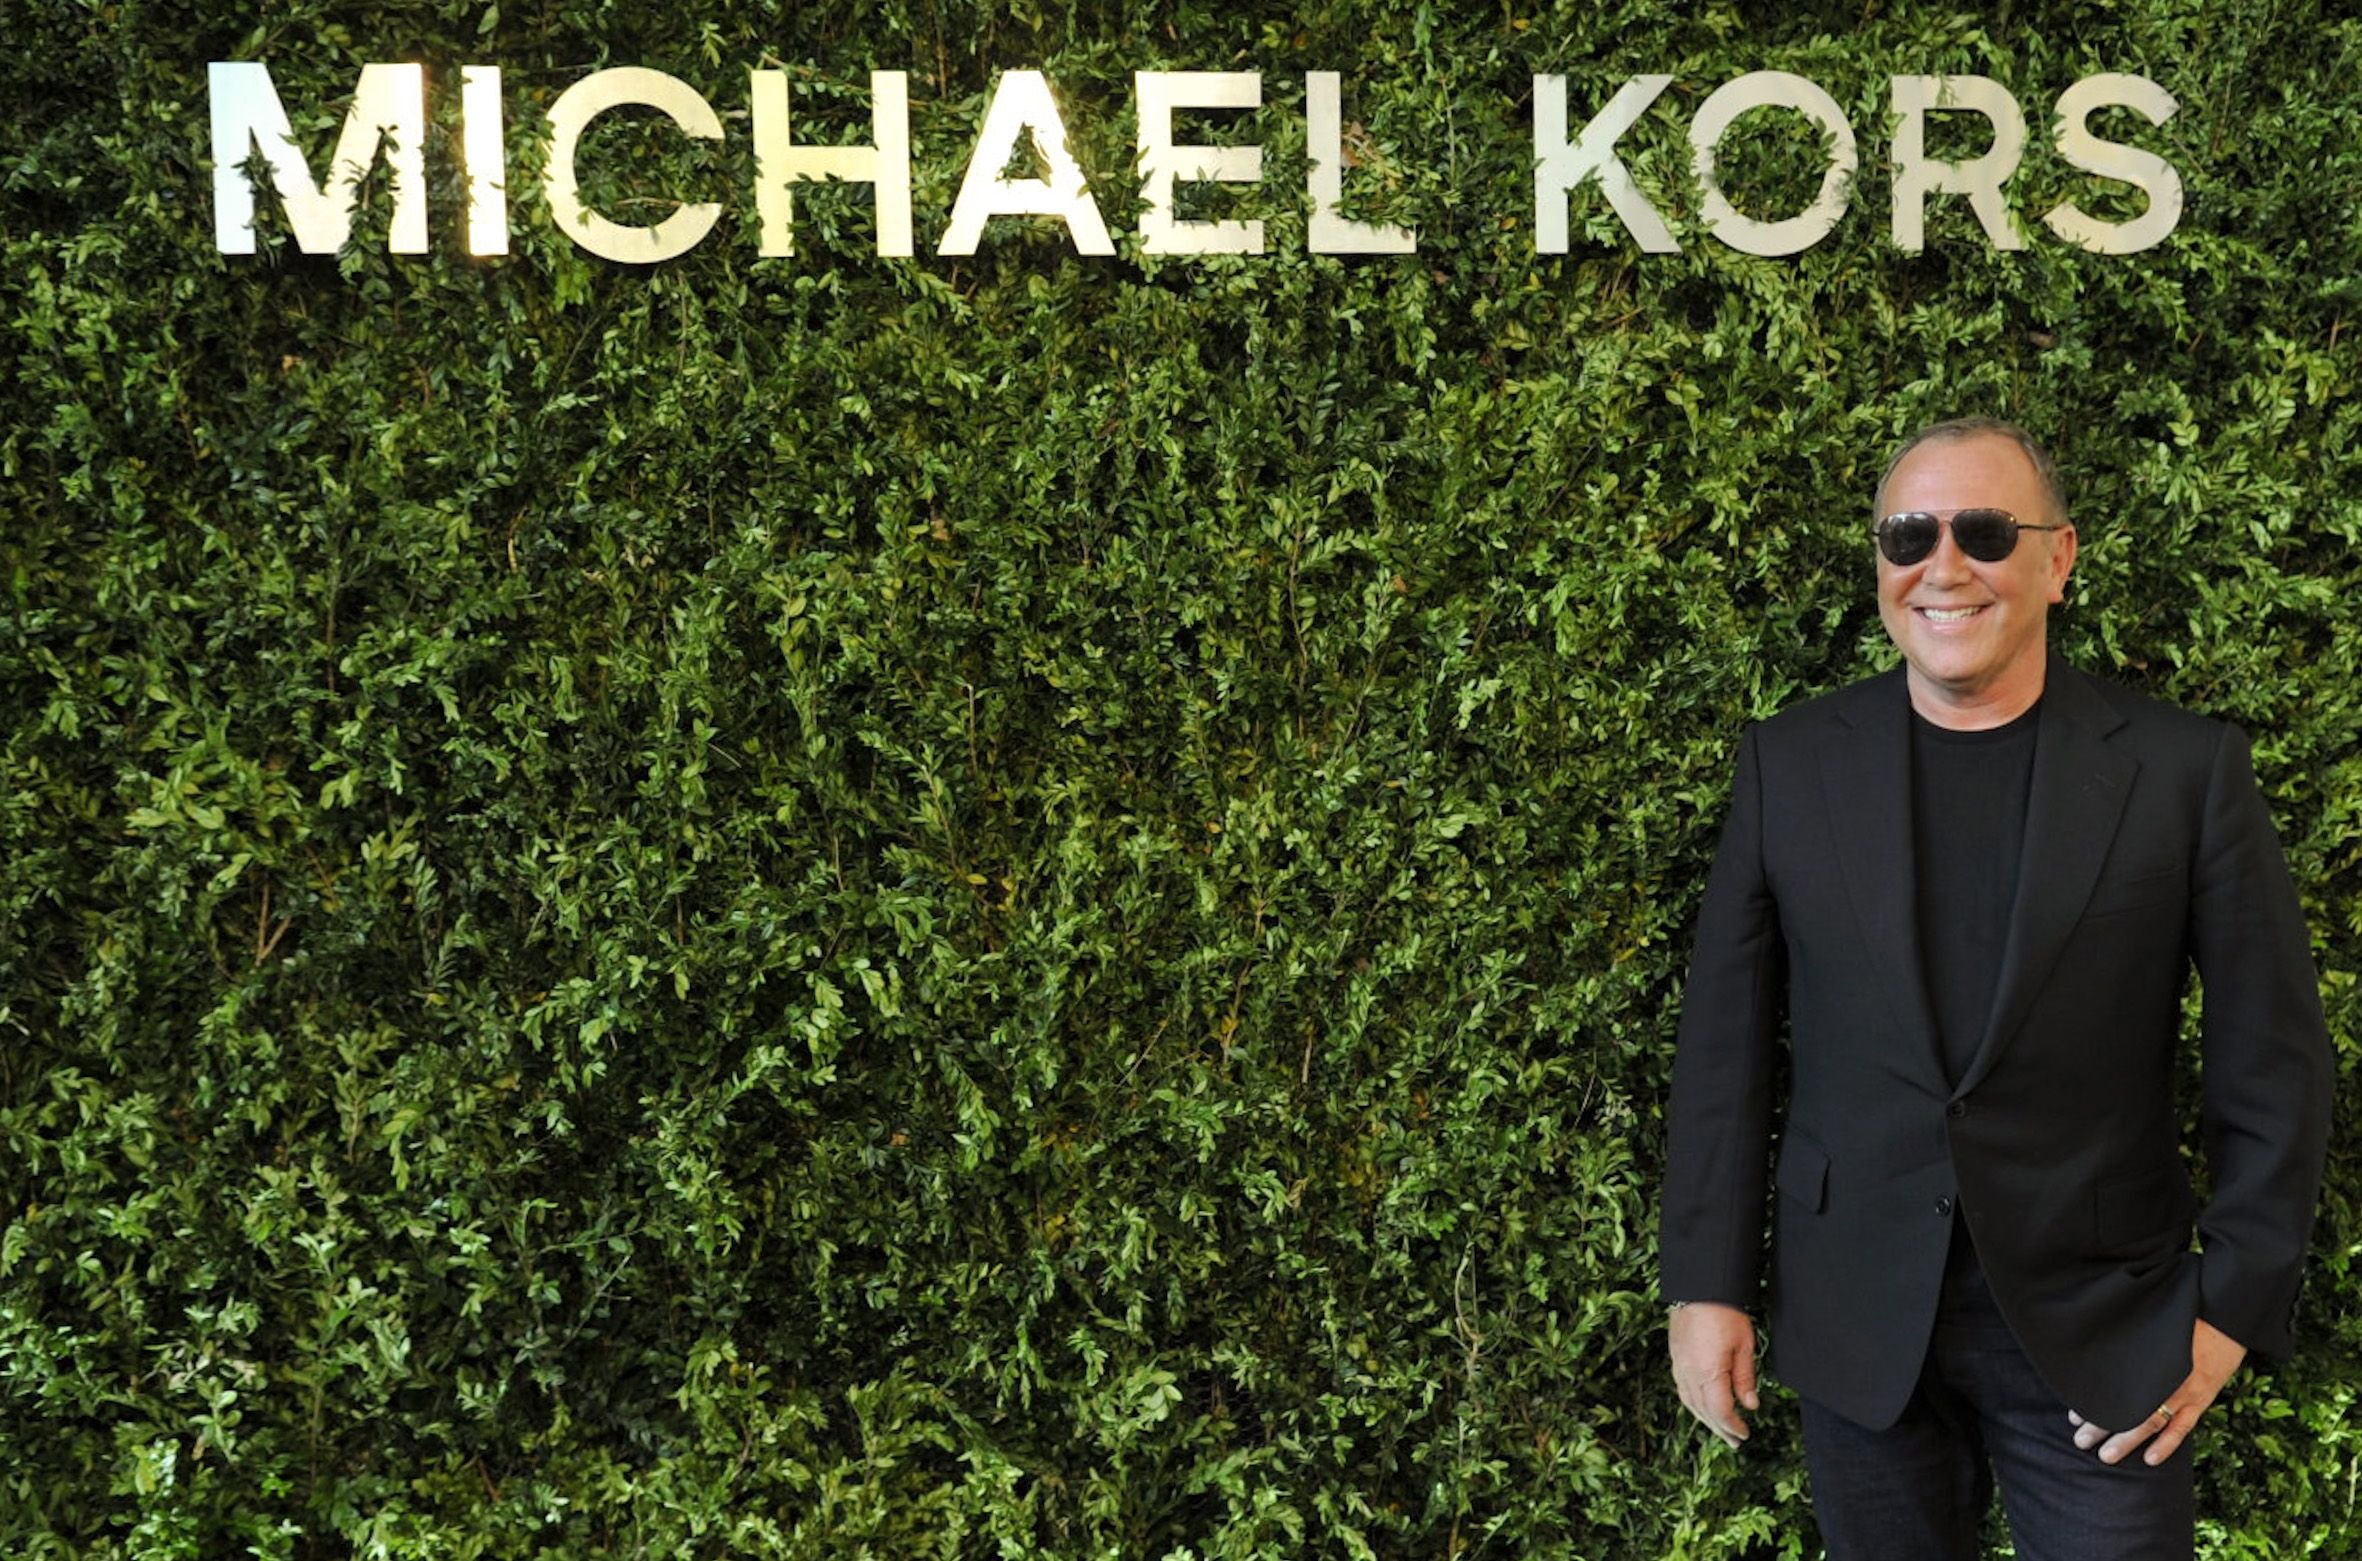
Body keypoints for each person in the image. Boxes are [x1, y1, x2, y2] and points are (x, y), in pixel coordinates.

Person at [1657, 417, 2333, 1558]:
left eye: (1982, 531)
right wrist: (1705, 1286)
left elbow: (2273, 1060)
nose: (1943, 565)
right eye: (1908, 535)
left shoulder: (2184, 771)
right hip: (1857, 1315)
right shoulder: (1790, 763)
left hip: (2103, 1328)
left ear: (2057, 559)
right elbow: (1725, 1051)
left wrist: (2230, 1308)